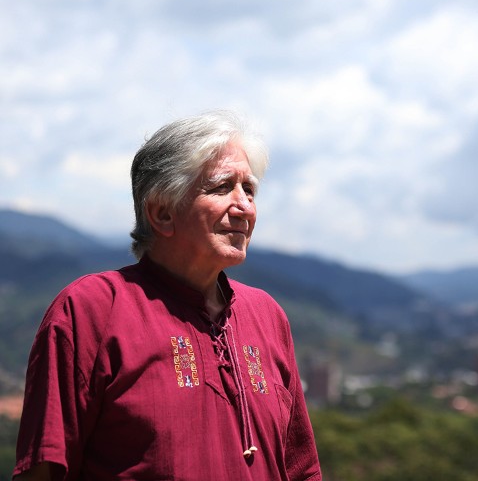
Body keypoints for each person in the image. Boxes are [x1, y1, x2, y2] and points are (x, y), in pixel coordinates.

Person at [13, 111, 322, 481]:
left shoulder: (268, 316)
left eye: (250, 190)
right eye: (222, 188)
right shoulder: (90, 310)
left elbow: (301, 469)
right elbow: (45, 469)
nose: (245, 207)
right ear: (161, 213)